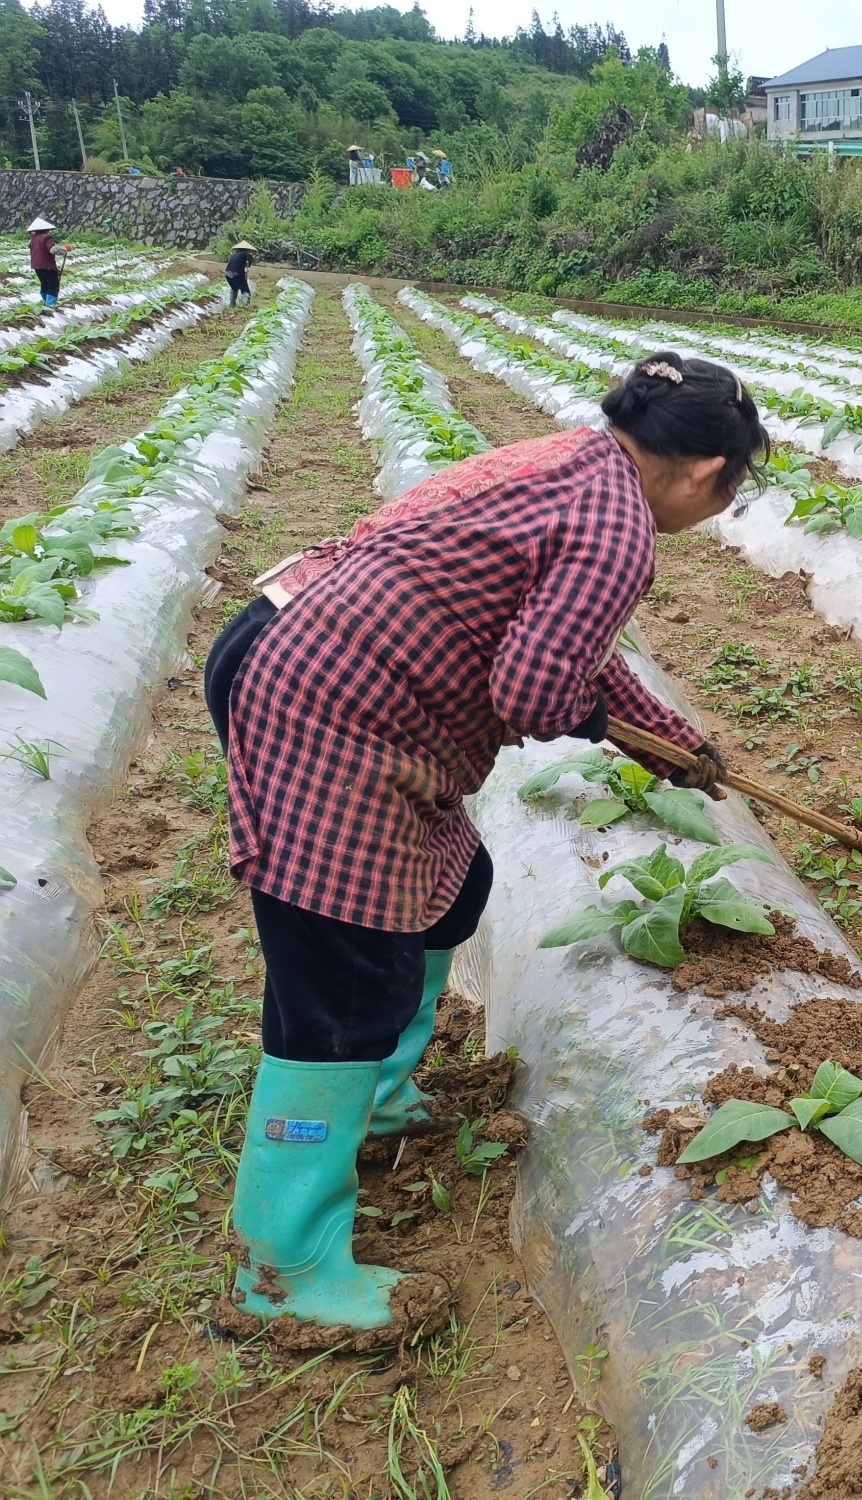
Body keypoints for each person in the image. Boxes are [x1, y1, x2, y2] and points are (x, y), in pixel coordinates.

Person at [202, 351, 766, 1334]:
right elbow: (537, 691)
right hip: (328, 713)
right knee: (341, 985)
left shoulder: (578, 465)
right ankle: (282, 1271)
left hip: (299, 651)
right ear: (707, 469)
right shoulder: (618, 529)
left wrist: (677, 743)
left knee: (454, 888)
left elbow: (571, 657)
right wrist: (604, 721)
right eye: (733, 490)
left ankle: (374, 1101)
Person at [27, 217, 60, 307]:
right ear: (46, 229)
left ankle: (45, 301)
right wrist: (63, 250)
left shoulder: (33, 239)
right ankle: (50, 305)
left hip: (36, 266)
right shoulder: (47, 237)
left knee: (44, 284)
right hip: (47, 266)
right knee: (53, 285)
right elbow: (52, 250)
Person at [224, 241, 255, 306]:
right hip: (237, 273)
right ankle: (246, 306)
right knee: (245, 290)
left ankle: (232, 304)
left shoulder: (234, 254)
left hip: (228, 273)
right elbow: (248, 263)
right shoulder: (247, 254)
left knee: (234, 288)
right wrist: (247, 267)